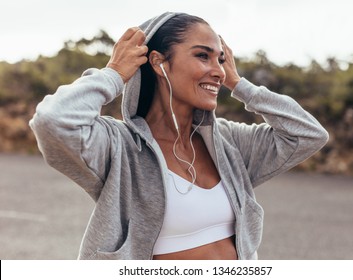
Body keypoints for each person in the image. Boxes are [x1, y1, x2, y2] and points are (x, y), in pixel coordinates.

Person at [29, 12, 328, 260]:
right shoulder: (119, 148)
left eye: (220, 60)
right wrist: (114, 74)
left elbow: (308, 134)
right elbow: (53, 120)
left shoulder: (229, 143)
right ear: (159, 62)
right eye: (203, 56)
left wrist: (240, 85)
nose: (219, 71)